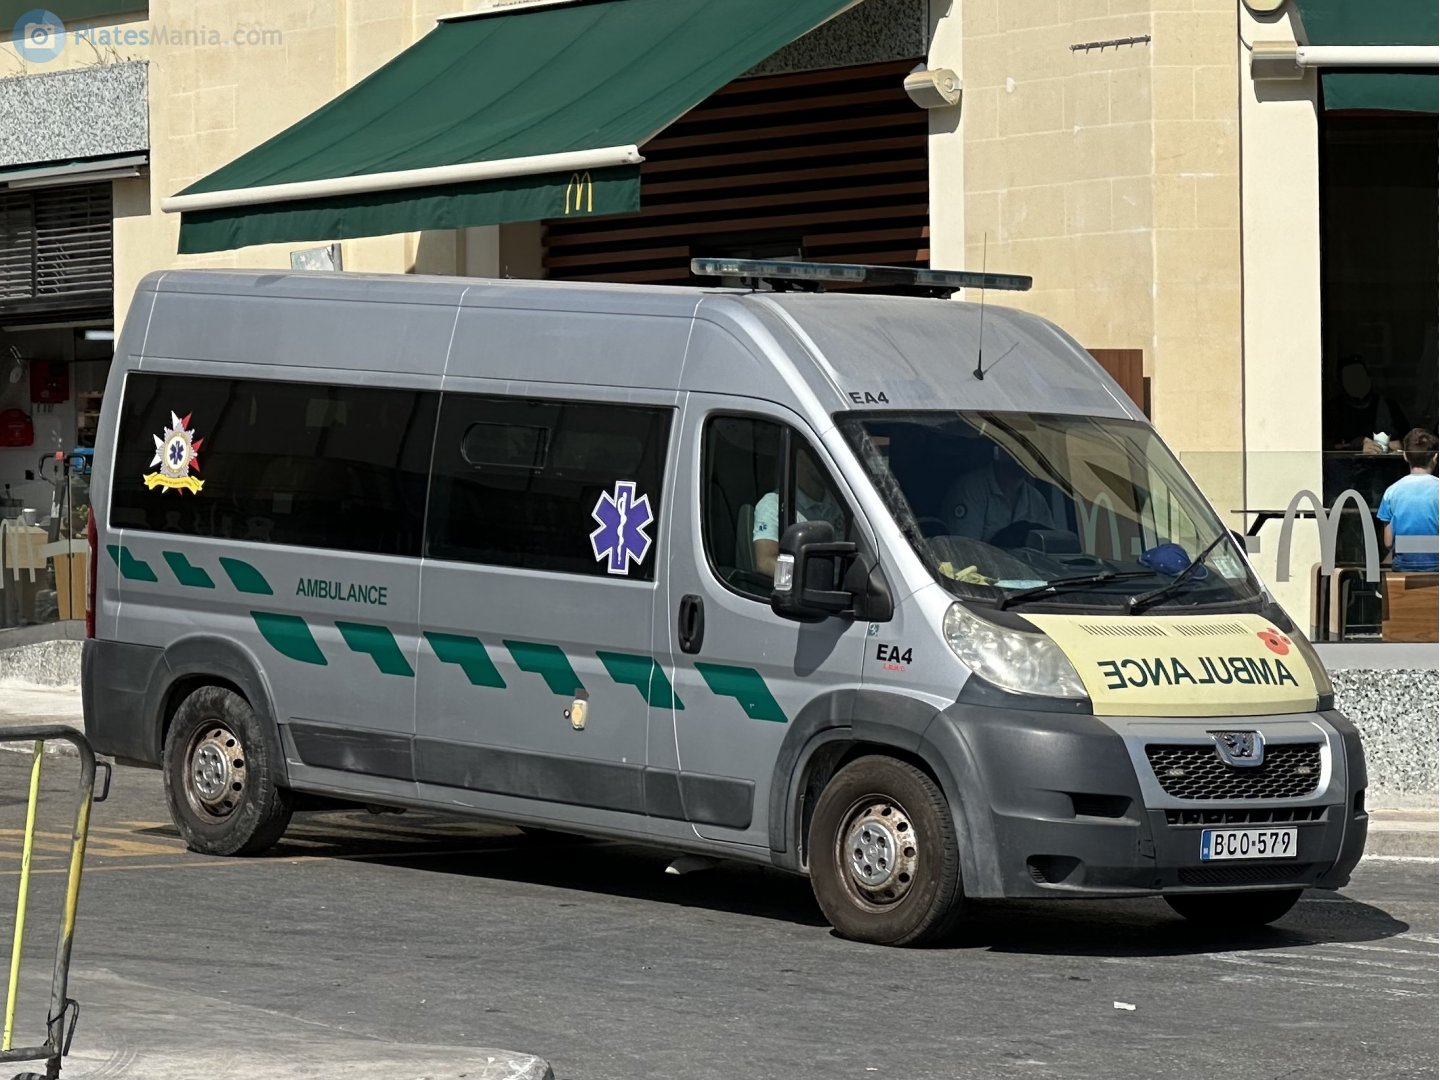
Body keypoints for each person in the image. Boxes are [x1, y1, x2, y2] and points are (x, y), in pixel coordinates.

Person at [752, 446, 845, 578]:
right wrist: (806, 577)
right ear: (800, 456)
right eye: (820, 454)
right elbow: (765, 562)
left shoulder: (841, 501)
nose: (828, 461)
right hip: (811, 588)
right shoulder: (773, 504)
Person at [941, 446, 1055, 546]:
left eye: (1032, 453)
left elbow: (1053, 547)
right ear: (1002, 451)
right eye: (1021, 450)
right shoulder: (970, 488)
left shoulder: (1037, 500)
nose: (1028, 457)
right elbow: (964, 550)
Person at [1378, 428, 1439, 573]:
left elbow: (1388, 542)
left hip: (1403, 566)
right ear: (1435, 457)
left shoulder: (1391, 491)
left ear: (1405, 456)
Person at [1326, 356, 1409, 453]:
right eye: (1350, 378)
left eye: (1360, 376)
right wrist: (1354, 447)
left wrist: (1382, 445)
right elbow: (1324, 445)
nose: (1357, 382)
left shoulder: (1388, 406)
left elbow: (1409, 442)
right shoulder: (1333, 409)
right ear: (1342, 383)